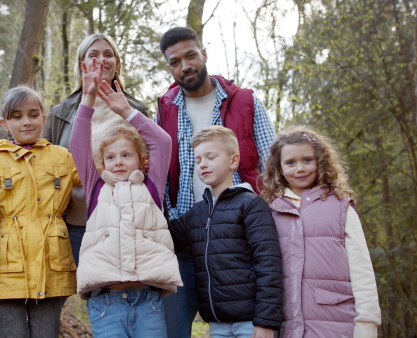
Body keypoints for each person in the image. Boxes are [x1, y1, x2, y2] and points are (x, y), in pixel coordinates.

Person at [156, 26, 277, 337]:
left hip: (236, 245)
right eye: (175, 62)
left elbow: (273, 170)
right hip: (182, 244)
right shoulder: (165, 109)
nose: (185, 66)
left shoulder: (246, 103)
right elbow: (156, 173)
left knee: (240, 328)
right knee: (171, 330)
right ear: (169, 67)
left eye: (190, 55)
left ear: (203, 53)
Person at [70, 57, 182, 337]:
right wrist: (88, 97)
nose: (118, 162)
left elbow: (162, 141)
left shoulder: (151, 186)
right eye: (110, 157)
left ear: (141, 160)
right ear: (102, 163)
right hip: (106, 303)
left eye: (126, 155)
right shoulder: (97, 189)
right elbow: (78, 143)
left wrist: (127, 111)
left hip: (149, 302)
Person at [0, 86, 80, 338]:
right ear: (4, 123)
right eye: (16, 116)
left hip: (51, 268)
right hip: (4, 270)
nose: (26, 122)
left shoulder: (62, 157)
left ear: (44, 117)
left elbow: (94, 175)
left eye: (33, 114)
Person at [261, 126, 381, 338]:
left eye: (307, 160)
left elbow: (362, 270)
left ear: (321, 161)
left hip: (336, 325)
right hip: (286, 327)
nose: (300, 168)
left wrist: (367, 323)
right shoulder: (271, 212)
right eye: (290, 162)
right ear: (279, 168)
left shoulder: (341, 207)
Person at [43, 33, 148, 266]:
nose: (102, 60)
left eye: (108, 54)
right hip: (77, 223)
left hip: (125, 221)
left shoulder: (137, 110)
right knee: (90, 293)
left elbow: (150, 163)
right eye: (94, 55)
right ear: (82, 65)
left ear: (117, 64)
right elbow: (44, 166)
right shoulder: (59, 113)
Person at [169, 126, 283, 338]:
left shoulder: (251, 205)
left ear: (233, 161)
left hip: (251, 323)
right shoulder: (196, 213)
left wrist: (266, 322)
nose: (203, 164)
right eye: (198, 160)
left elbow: (269, 264)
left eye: (211, 157)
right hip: (217, 324)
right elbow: (163, 234)